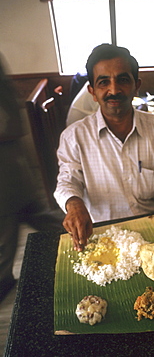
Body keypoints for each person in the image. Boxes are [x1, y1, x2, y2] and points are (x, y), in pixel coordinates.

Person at [54, 44, 154, 252]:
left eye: (123, 80)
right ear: (92, 91)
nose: (114, 90)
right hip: (101, 230)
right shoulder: (73, 136)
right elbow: (68, 180)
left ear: (136, 86)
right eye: (103, 82)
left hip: (152, 224)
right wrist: (74, 203)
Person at [0, 55, 64, 302]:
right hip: (12, 167)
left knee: (10, 229)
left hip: (8, 168)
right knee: (34, 215)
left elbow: (9, 120)